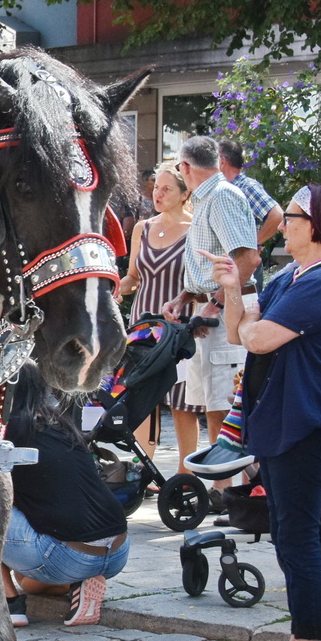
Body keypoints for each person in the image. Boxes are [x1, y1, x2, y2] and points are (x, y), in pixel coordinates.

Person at [212, 184, 321, 641]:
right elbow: (240, 332)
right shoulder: (291, 276)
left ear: (313, 226)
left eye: (291, 217)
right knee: (289, 536)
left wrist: (254, 320)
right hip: (282, 424)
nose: (282, 225)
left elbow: (258, 337)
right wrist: (235, 289)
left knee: (298, 539)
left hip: (307, 426)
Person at [0, 367, 130, 628]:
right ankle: (79, 584)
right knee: (29, 583)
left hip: (69, 555)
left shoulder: (7, 431)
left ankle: (8, 604)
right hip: (118, 550)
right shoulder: (62, 423)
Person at [164, 136, 261, 463]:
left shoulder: (221, 196)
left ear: (185, 167)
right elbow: (211, 265)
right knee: (213, 408)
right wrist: (183, 298)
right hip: (211, 308)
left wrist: (214, 305)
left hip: (227, 310)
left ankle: (233, 486)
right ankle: (224, 486)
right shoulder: (206, 197)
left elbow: (247, 260)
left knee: (226, 409)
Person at [120, 164, 204, 469]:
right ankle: (144, 469)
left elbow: (201, 280)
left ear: (184, 194)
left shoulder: (196, 229)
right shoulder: (142, 228)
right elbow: (133, 277)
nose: (158, 193)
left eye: (167, 189)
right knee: (142, 398)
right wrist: (115, 288)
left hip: (178, 326)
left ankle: (186, 473)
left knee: (182, 403)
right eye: (156, 187)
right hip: (143, 325)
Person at [218, 139, 284, 247]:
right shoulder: (224, 189)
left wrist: (252, 246)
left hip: (241, 257)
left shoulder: (246, 187)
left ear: (222, 161)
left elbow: (277, 216)